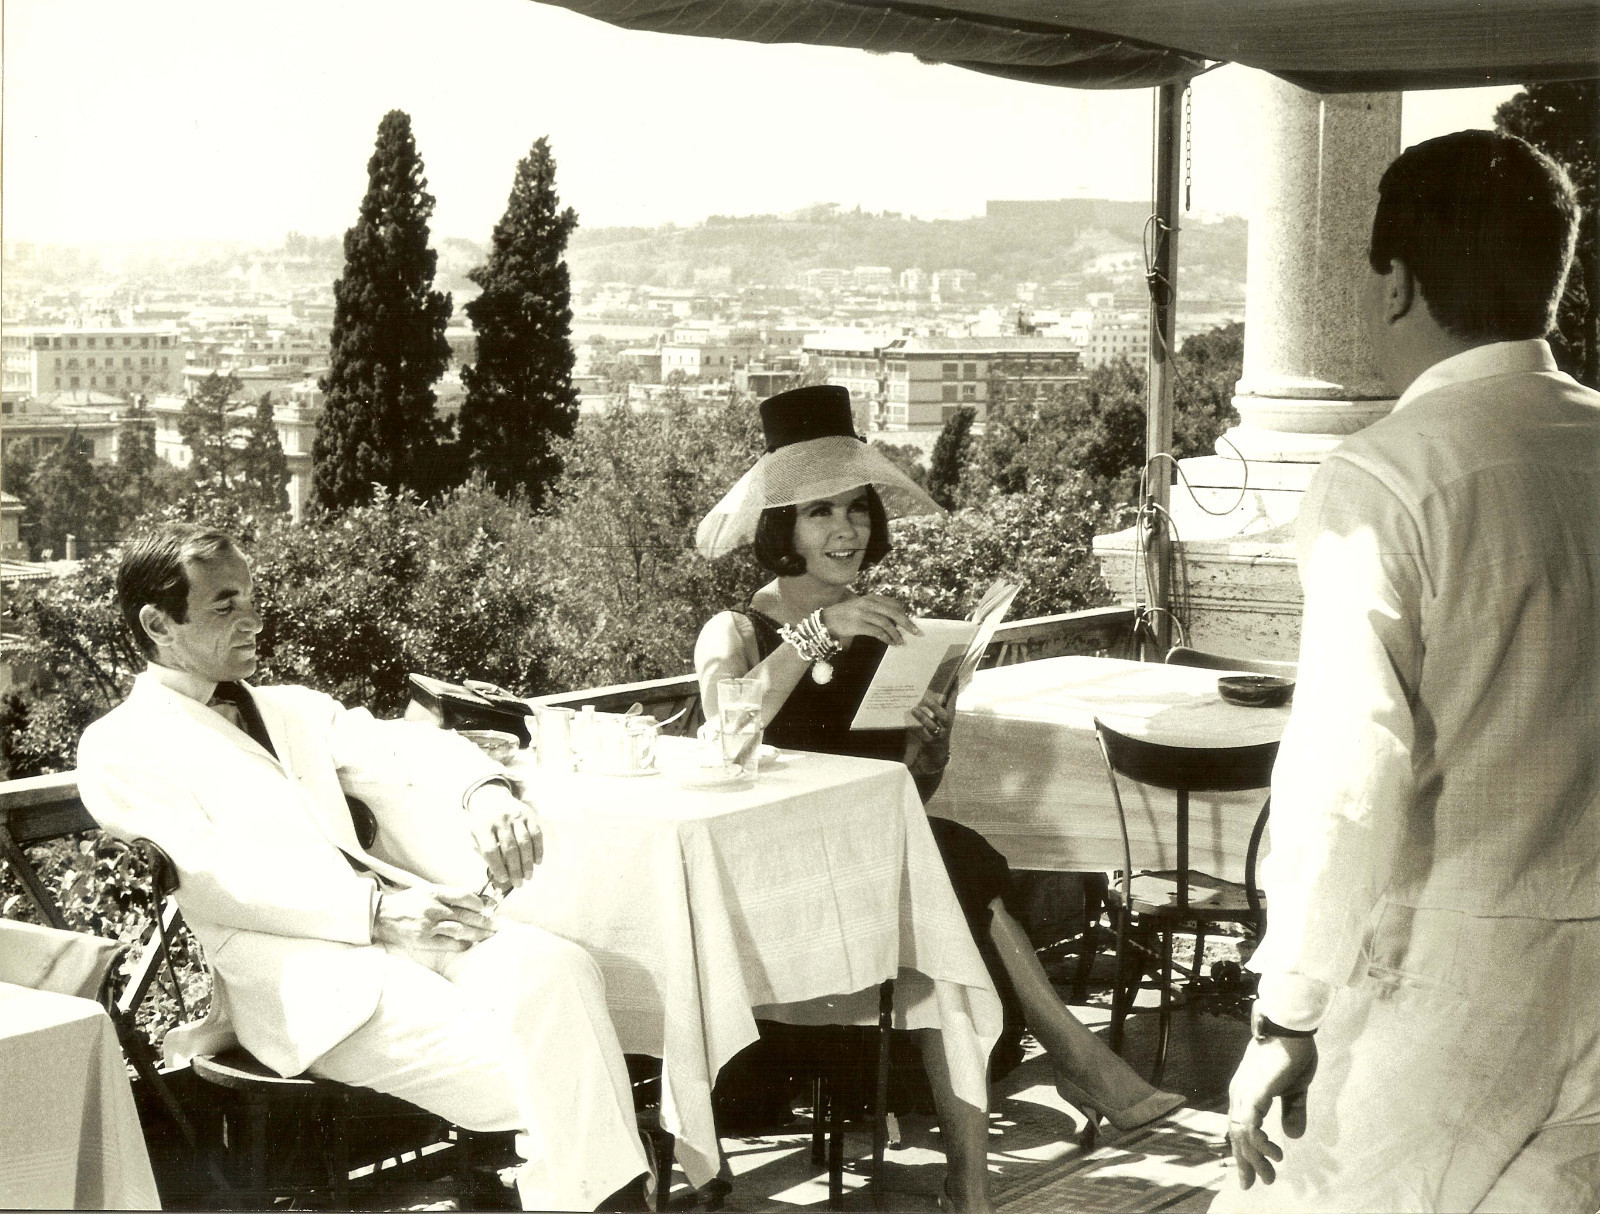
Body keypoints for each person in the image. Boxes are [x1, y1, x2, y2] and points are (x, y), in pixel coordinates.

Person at [1213, 130, 1600, 1213]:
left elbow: (1349, 764)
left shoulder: (1386, 475)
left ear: (1395, 284)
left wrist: (1286, 1009)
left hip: (1453, 966)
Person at [693, 386, 1184, 1208]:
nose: (845, 530)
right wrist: (822, 633)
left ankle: (977, 1175)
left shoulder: (894, 622)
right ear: (783, 529)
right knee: (955, 867)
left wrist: (932, 740)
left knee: (949, 881)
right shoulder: (736, 630)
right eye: (820, 514)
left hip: (877, 867)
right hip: (778, 882)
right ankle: (1073, 1057)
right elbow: (725, 730)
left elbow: (909, 789)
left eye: (855, 509)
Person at [77, 525, 649, 1212]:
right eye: (225, 605)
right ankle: (617, 1200)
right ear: (156, 623)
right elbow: (211, 875)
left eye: (253, 597)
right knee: (548, 1073)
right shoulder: (120, 747)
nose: (254, 619)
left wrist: (484, 790)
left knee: (560, 970)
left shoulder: (290, 709)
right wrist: (374, 913)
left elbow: (402, 747)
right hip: (308, 981)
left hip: (418, 928)